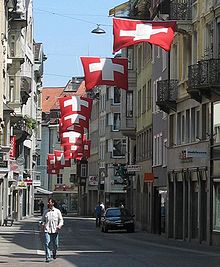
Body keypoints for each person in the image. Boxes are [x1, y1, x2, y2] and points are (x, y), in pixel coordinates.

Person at [41, 198, 64, 263]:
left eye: (50, 202)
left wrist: (59, 226)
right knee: (47, 243)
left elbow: (61, 220)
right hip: (47, 230)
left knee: (55, 245)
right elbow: (42, 220)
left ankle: (54, 253)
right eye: (48, 202)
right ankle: (48, 257)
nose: (48, 203)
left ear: (53, 203)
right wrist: (43, 225)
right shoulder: (46, 212)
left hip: (55, 230)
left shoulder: (57, 211)